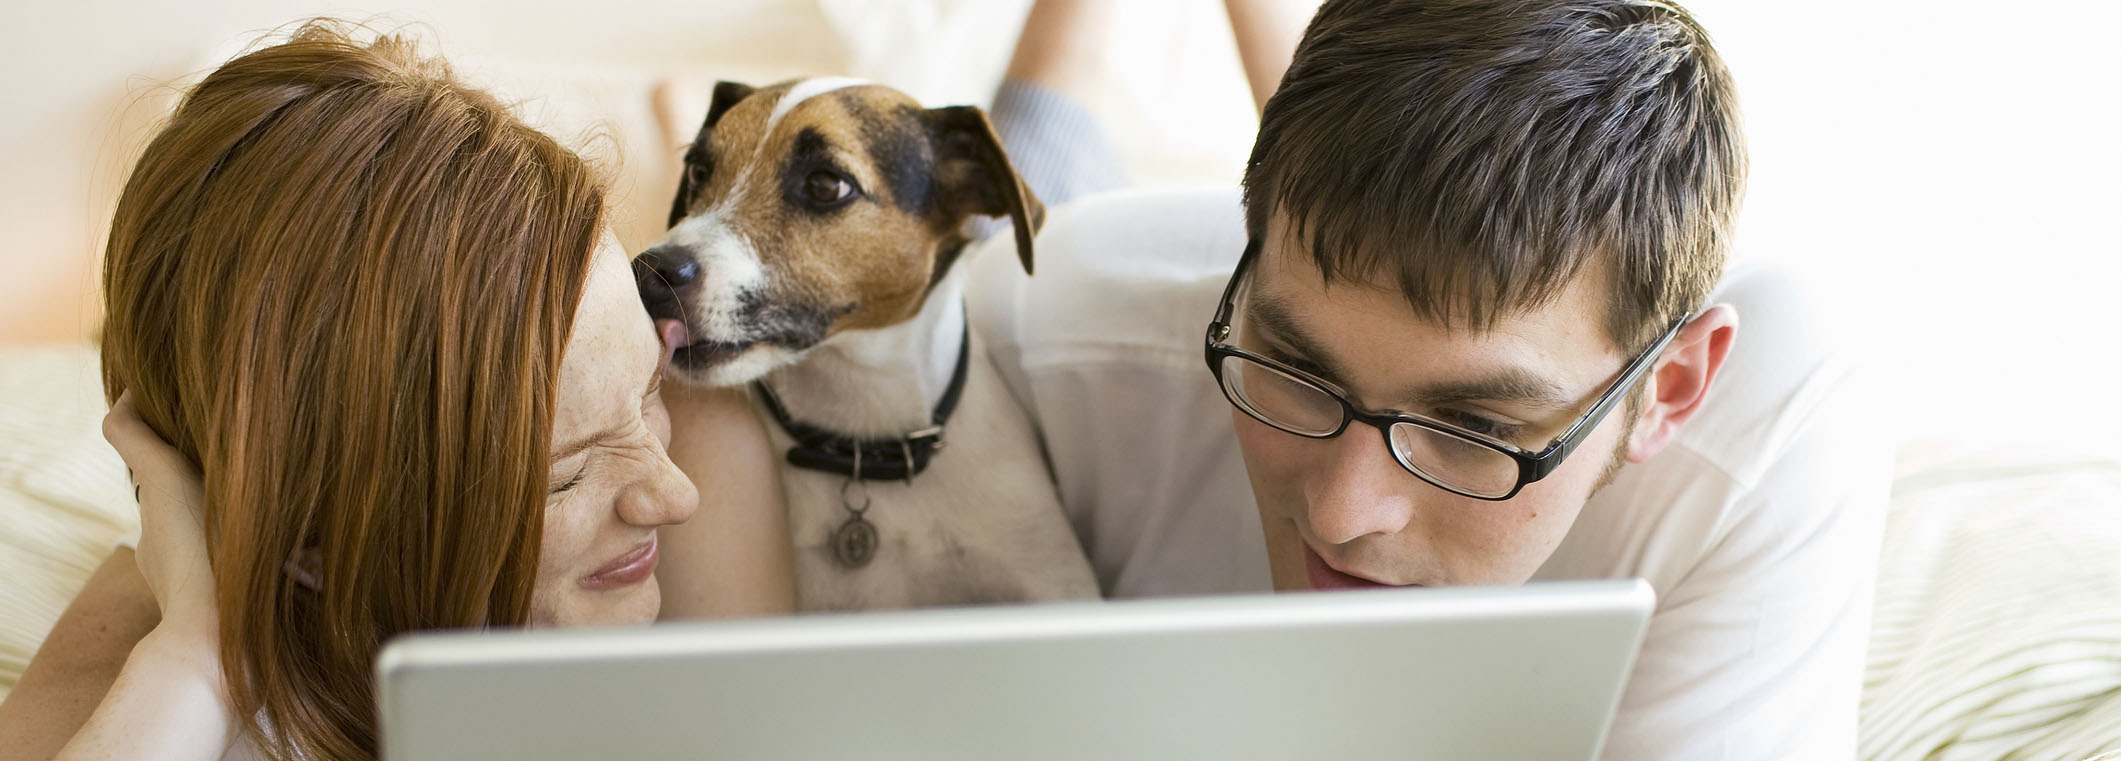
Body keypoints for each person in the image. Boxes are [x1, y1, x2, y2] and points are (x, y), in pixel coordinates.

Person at [962, 0, 1890, 758]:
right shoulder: (1032, 322)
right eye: (1291, 365)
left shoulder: (1776, 420)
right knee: (1004, 207)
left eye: (1475, 426)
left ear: (1672, 387)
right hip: (1046, 276)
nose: (1339, 514)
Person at [0, 23, 789, 761]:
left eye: (650, 387)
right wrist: (201, 655)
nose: (672, 495)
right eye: (566, 474)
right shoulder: (137, 666)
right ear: (309, 541)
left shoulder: (709, 447)